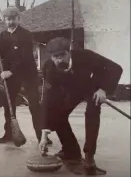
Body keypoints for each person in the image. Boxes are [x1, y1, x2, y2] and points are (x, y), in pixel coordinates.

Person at [39, 37, 123, 175]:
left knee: (92, 114)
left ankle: (89, 157)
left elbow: (116, 69)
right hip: (72, 91)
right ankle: (71, 152)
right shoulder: (49, 69)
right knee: (58, 114)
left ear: (69, 52)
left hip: (93, 87)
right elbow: (49, 100)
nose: (59, 60)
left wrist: (103, 89)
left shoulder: (86, 56)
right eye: (55, 57)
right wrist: (44, 134)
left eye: (62, 56)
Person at [0, 6, 52, 144]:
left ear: (18, 19)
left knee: (34, 106)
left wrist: (10, 71)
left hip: (27, 74)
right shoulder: (2, 36)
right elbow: (0, 55)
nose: (10, 22)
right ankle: (9, 134)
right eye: (7, 19)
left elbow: (24, 58)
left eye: (13, 19)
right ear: (4, 20)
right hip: (10, 77)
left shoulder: (26, 34)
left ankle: (41, 136)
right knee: (9, 105)